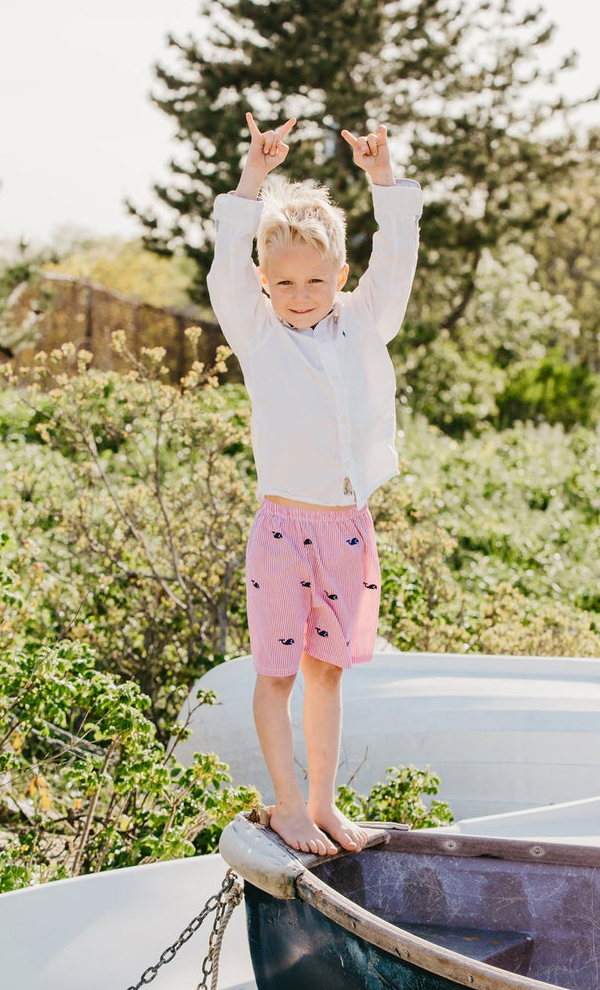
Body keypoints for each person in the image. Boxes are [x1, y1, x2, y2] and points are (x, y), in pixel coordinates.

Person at [207, 111, 422, 856]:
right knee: (277, 675)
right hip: (282, 531)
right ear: (263, 282)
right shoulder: (257, 330)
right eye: (285, 281)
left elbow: (395, 260)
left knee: (327, 675)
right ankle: (288, 805)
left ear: (340, 276)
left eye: (317, 279)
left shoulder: (365, 324)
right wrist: (254, 178)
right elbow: (225, 260)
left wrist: (382, 178)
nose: (301, 294)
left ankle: (326, 805)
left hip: (347, 529)